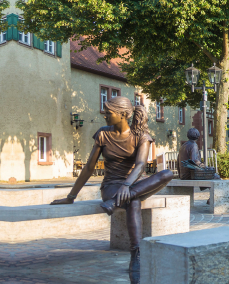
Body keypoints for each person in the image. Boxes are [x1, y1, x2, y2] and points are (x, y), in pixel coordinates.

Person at [51, 97, 173, 277]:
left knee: (167, 174)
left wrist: (126, 185)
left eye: (108, 113)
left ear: (123, 115)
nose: (104, 116)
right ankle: (136, 253)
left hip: (135, 183)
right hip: (111, 186)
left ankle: (116, 203)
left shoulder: (141, 136)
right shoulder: (103, 134)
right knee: (133, 201)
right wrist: (71, 196)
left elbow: (140, 166)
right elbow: (89, 168)